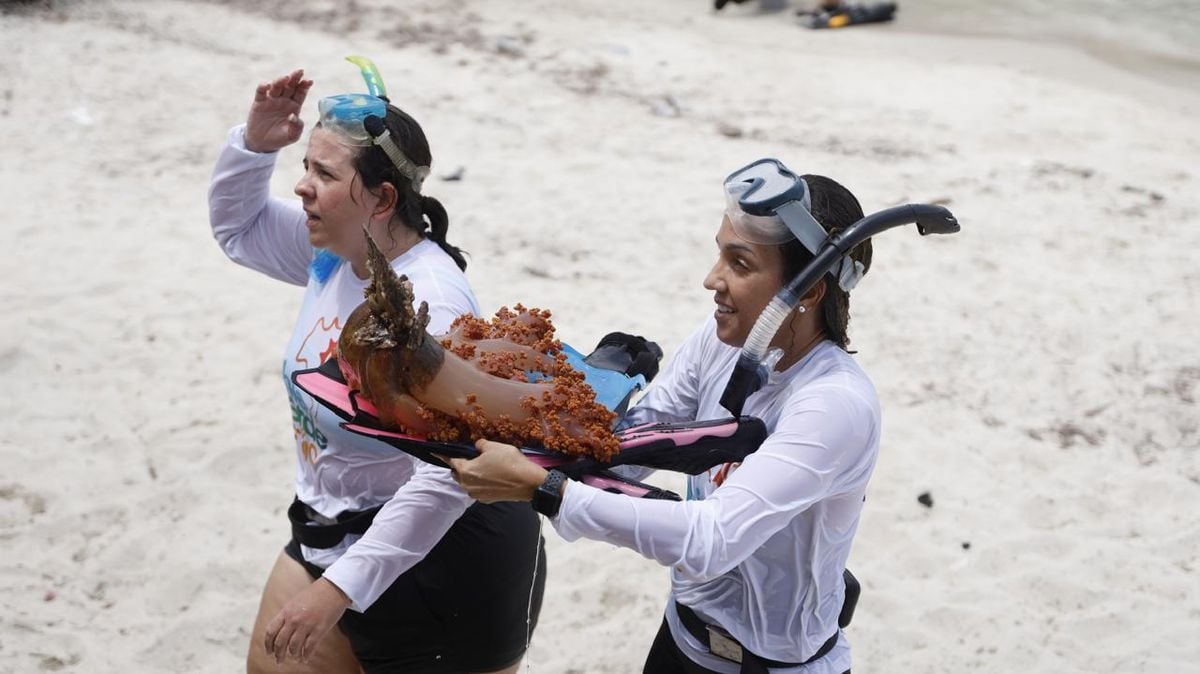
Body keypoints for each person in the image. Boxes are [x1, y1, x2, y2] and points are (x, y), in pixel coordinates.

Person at [447, 160, 878, 674]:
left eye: (739, 265)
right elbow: (626, 455)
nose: (710, 280)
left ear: (808, 292)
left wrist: (546, 490)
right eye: (720, 254)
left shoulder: (834, 404)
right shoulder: (720, 342)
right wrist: (530, 413)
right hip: (682, 641)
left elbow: (710, 542)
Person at [207, 60, 544, 674]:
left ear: (382, 198)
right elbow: (240, 229)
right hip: (327, 528)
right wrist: (254, 145)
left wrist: (339, 590)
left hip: (440, 566)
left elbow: (453, 472)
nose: (302, 187)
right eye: (304, 167)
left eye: (323, 174)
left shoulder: (430, 303)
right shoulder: (335, 254)